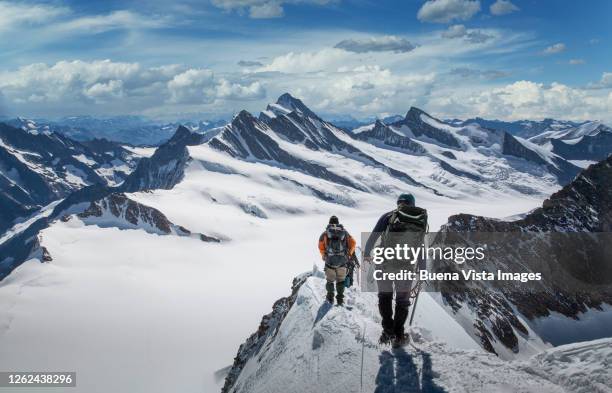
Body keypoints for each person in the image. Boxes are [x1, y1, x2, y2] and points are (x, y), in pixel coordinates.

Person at [363, 193, 428, 346]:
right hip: (406, 267)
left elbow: (373, 236)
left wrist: (367, 253)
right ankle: (398, 335)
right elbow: (420, 248)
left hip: (384, 263)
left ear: (398, 203)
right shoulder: (418, 222)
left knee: (384, 296)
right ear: (412, 204)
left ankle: (387, 331)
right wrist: (422, 270)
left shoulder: (388, 217)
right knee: (402, 301)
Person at [318, 215, 356, 306]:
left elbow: (320, 246)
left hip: (330, 261)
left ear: (329, 222)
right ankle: (340, 300)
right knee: (340, 281)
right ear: (338, 222)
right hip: (342, 261)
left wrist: (324, 256)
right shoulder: (344, 232)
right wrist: (349, 254)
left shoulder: (325, 233)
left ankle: (330, 298)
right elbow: (353, 242)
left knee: (330, 281)